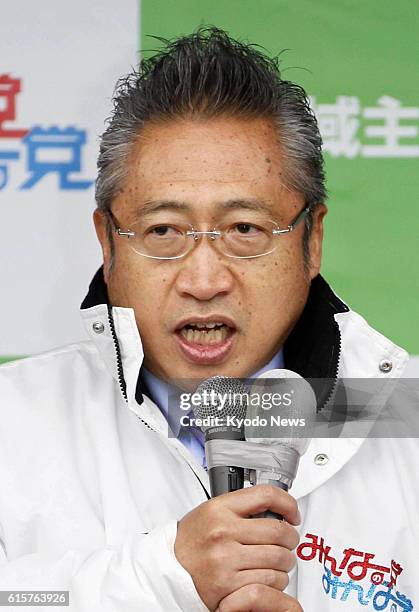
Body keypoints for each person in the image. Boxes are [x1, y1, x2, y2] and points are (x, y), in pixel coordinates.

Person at [0, 27, 417, 612]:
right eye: (164, 232)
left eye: (244, 229)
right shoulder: (12, 422)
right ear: (107, 242)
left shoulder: (406, 417)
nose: (203, 280)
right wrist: (161, 578)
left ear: (312, 238)